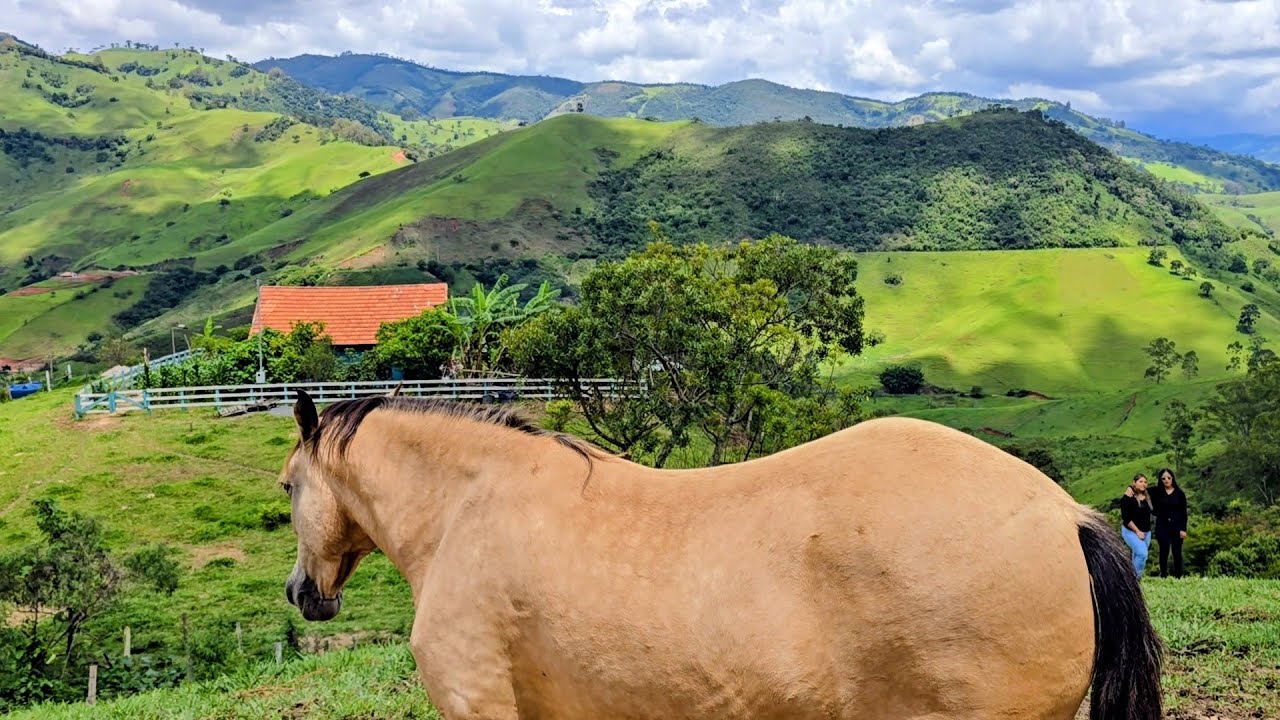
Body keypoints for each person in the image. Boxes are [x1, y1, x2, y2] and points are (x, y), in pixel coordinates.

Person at [1152, 467, 1189, 578]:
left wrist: (1183, 529)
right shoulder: (1157, 492)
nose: (1166, 480)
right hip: (1162, 525)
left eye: (1168, 478)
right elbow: (1142, 490)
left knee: (1177, 551)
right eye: (1163, 478)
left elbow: (1183, 512)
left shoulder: (1179, 493)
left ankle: (1178, 575)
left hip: (1177, 525)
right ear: (1160, 480)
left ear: (1172, 478)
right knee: (1164, 550)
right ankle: (1163, 574)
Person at [1119, 474, 1154, 577]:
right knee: (1142, 554)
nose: (1143, 484)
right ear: (1134, 483)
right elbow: (1126, 518)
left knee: (1138, 556)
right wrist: (1137, 531)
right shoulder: (1128, 498)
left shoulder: (1148, 496)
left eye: (1145, 482)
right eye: (1140, 481)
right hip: (1130, 531)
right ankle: (1134, 579)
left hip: (1147, 532)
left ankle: (1130, 579)